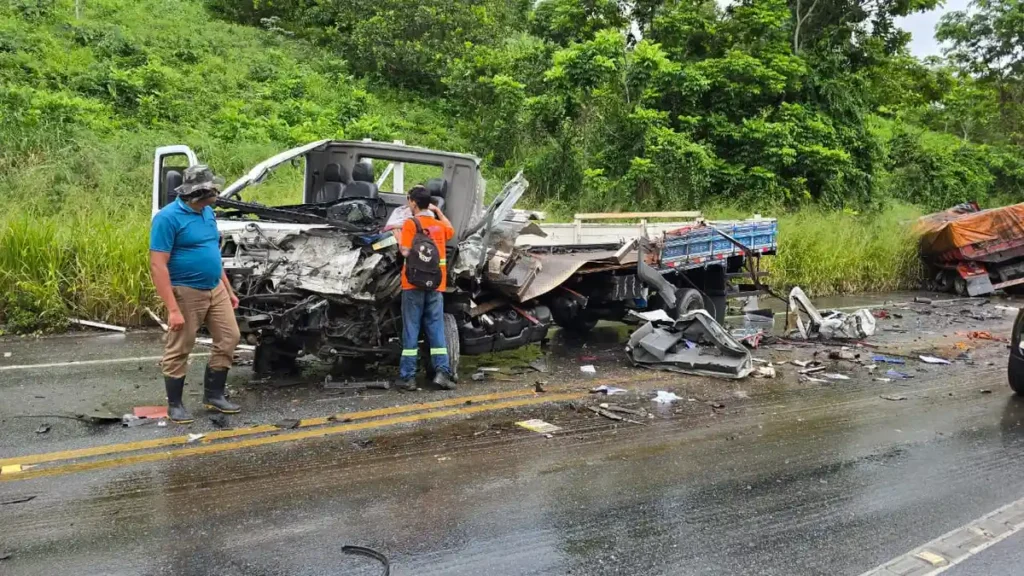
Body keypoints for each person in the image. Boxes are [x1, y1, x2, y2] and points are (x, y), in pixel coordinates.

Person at [150, 165, 242, 424]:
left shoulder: (208, 212)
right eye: (213, 189)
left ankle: (213, 395)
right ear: (200, 192)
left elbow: (213, 253)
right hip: (186, 291)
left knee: (230, 337)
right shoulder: (168, 218)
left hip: (215, 287)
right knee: (180, 346)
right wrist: (173, 309)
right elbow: (157, 265)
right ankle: (175, 404)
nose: (217, 192)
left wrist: (227, 288)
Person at [396, 185, 457, 391]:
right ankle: (442, 373)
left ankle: (408, 377)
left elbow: (405, 252)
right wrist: (438, 211)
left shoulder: (410, 224)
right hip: (436, 284)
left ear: (413, 202)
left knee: (411, 330)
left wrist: (398, 238)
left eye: (408, 200)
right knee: (436, 330)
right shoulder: (439, 226)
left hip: (412, 284)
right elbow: (451, 230)